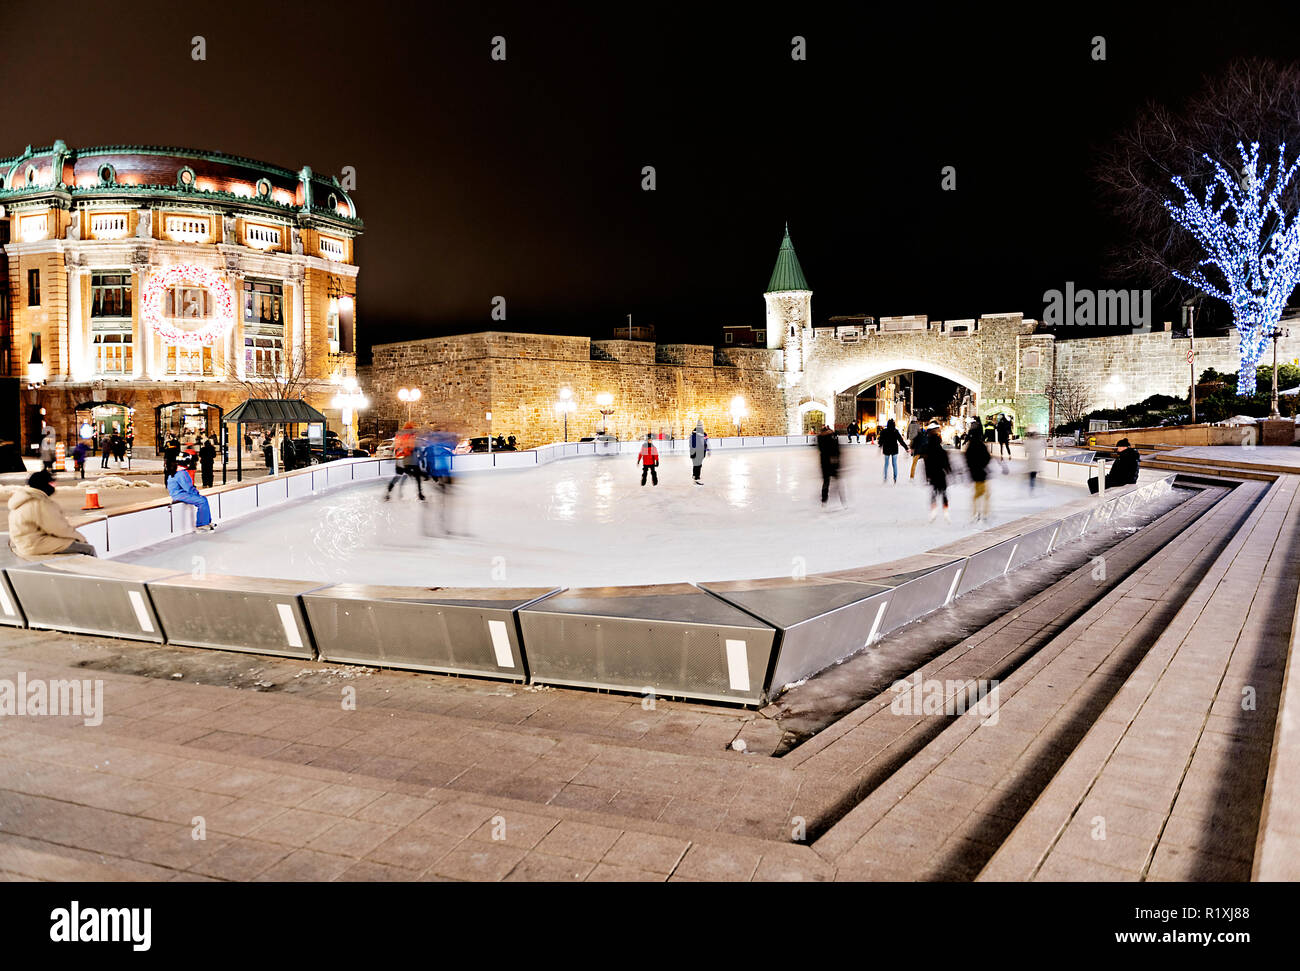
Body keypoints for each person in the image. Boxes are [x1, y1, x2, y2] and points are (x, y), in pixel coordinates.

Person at [6, 470, 99, 558]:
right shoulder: (40, 503)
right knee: (88, 548)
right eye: (51, 483)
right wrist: (81, 538)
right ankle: (97, 573)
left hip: (26, 542)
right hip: (34, 545)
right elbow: (58, 528)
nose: (54, 486)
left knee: (73, 543)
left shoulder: (23, 498)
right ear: (43, 485)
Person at [166, 455, 215, 531]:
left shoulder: (177, 471)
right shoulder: (182, 473)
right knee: (202, 501)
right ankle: (202, 524)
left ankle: (206, 521)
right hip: (179, 495)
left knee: (203, 499)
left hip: (178, 494)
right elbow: (188, 487)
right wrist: (196, 493)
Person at [386, 422, 425, 500]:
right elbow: (419, 450)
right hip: (412, 462)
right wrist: (422, 460)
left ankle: (388, 492)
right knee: (417, 477)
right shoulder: (412, 437)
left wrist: (390, 457)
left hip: (399, 461)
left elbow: (392, 448)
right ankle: (420, 494)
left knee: (397, 476)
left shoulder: (398, 437)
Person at [965, 419, 992, 522]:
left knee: (978, 493)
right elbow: (987, 457)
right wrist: (983, 465)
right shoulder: (981, 445)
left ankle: (976, 512)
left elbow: (967, 459)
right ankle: (982, 513)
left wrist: (970, 468)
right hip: (981, 472)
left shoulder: (970, 446)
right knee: (985, 493)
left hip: (974, 472)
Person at [923, 427, 951, 522]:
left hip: (933, 475)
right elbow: (946, 463)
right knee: (943, 493)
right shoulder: (942, 451)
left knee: (934, 494)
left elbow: (926, 465)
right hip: (941, 475)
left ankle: (933, 511)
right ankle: (946, 511)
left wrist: (927, 476)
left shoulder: (928, 452)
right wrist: (949, 471)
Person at [817, 424, 844, 506]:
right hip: (832, 464)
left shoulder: (821, 439)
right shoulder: (832, 439)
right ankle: (842, 500)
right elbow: (837, 451)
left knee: (826, 482)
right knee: (835, 482)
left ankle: (824, 500)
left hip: (825, 464)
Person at [878, 418, 908, 484]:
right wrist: (906, 448)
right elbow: (901, 440)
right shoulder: (895, 431)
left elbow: (881, 440)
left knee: (886, 464)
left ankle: (885, 477)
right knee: (894, 464)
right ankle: (895, 478)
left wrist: (880, 445)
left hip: (886, 449)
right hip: (894, 449)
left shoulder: (884, 431)